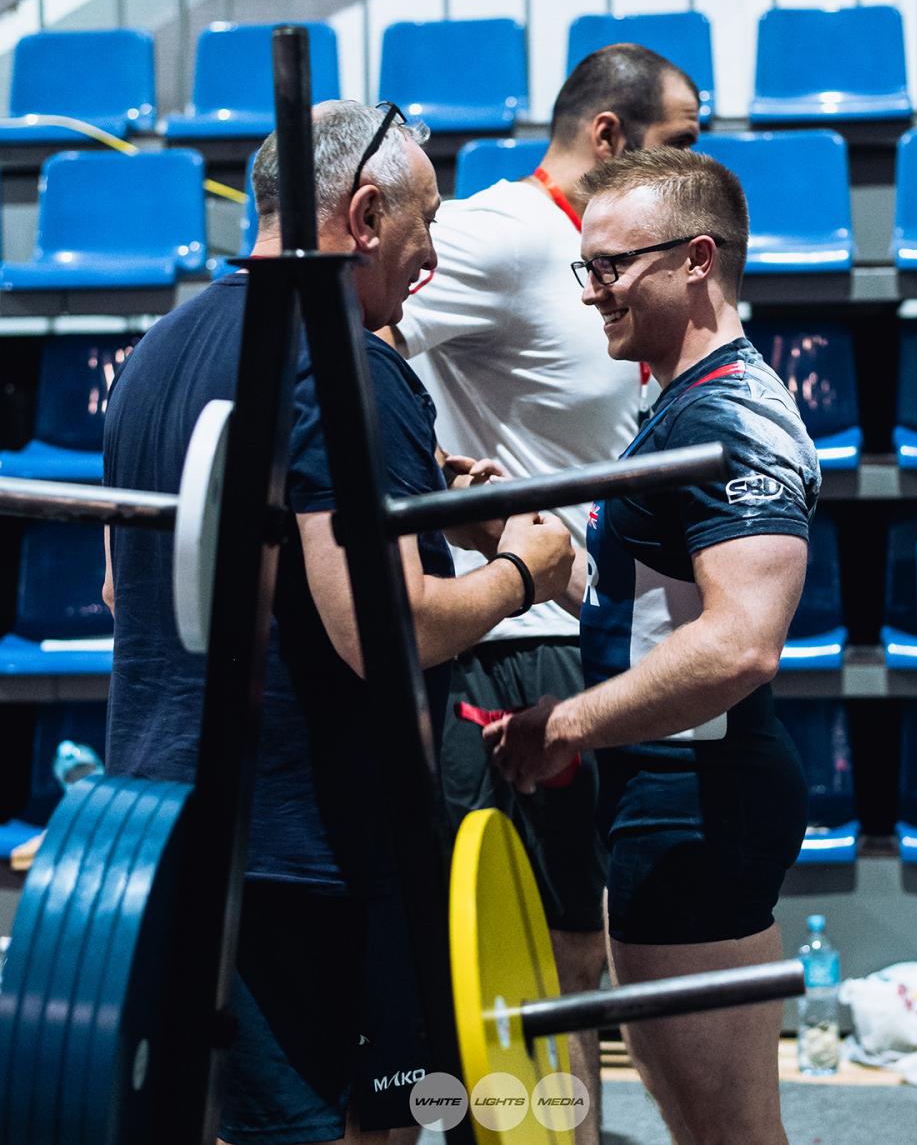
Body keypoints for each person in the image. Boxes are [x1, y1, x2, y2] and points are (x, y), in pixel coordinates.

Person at [101, 100, 573, 1145]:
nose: (432, 259)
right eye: (424, 225)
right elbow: (381, 622)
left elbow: (125, 586)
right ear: (364, 212)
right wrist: (520, 571)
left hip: (167, 817)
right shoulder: (345, 360)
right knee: (358, 1126)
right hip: (306, 841)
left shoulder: (157, 352)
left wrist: (412, 485)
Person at [381, 44, 701, 1136]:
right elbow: (340, 342)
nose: (701, 161)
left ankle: (557, 1132)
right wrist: (424, 481)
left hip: (594, 638)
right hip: (515, 643)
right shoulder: (504, 233)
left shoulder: (600, 257)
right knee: (514, 947)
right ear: (608, 139)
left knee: (574, 943)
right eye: (683, 139)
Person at [484, 145, 820, 1145]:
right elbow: (661, 606)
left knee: (725, 1132)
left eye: (611, 267)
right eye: (583, 268)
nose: (592, 293)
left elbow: (739, 644)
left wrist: (568, 722)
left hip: (696, 803)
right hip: (669, 796)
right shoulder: (676, 399)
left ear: (697, 259)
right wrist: (508, 530)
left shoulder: (730, 415)